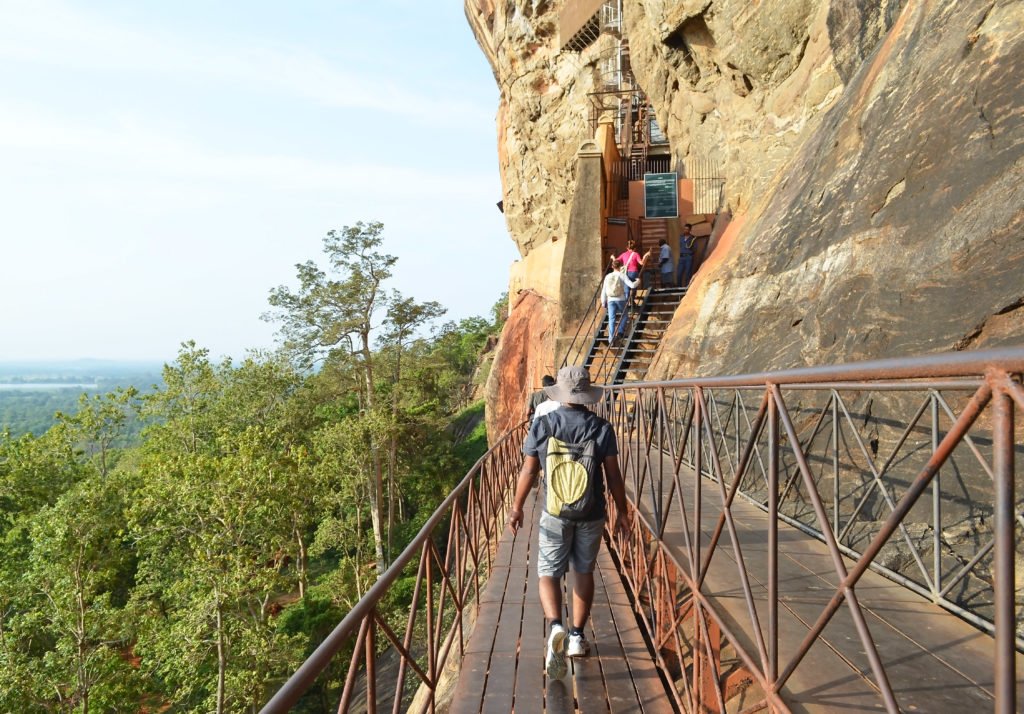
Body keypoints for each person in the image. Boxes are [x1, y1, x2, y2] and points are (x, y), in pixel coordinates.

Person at [507, 365, 629, 680]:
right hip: (592, 511)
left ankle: (555, 627)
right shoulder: (602, 428)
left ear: (559, 392)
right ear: (587, 394)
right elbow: (613, 476)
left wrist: (516, 507)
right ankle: (576, 636)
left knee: (547, 572)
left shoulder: (544, 423)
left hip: (554, 511)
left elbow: (529, 471)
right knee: (583, 571)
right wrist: (623, 513)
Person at [600, 258, 640, 346]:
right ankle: (620, 332)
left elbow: (604, 290)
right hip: (620, 299)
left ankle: (611, 339)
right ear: (620, 266)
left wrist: (603, 301)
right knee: (625, 315)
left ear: (612, 266)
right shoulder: (622, 275)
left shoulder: (607, 276)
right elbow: (632, 285)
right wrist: (638, 281)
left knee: (611, 319)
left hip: (610, 300)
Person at [612, 240, 651, 306]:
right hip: (634, 272)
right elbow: (641, 263)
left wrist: (613, 257)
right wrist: (646, 255)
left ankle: (626, 303)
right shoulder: (636, 254)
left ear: (627, 248)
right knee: (634, 286)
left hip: (625, 273)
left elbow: (616, 261)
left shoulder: (624, 254)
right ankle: (632, 300)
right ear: (635, 248)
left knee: (626, 288)